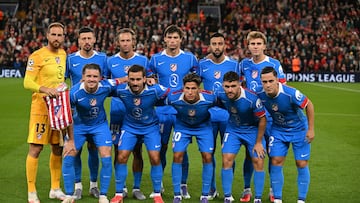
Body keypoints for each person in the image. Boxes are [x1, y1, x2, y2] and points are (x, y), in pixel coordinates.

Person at [148, 24, 198, 199]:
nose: (172, 41)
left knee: (181, 149)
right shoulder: (155, 59)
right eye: (169, 37)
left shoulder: (190, 58)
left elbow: (196, 80)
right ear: (165, 40)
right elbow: (148, 76)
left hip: (182, 111)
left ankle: (183, 185)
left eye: (176, 37)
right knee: (160, 147)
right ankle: (159, 182)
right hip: (161, 109)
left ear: (181, 40)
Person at [24, 22, 71, 203]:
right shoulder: (37, 56)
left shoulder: (63, 54)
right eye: (53, 34)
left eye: (60, 35)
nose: (56, 38)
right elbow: (27, 82)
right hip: (41, 110)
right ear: (47, 35)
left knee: (57, 148)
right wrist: (44, 89)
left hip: (58, 110)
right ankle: (31, 191)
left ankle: (55, 188)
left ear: (63, 37)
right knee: (36, 148)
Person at [238, 31, 286, 202]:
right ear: (248, 45)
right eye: (253, 44)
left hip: (272, 118)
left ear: (264, 46)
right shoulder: (243, 64)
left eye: (259, 44)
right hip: (252, 118)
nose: (256, 47)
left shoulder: (274, 64)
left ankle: (273, 190)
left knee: (274, 154)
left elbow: (282, 89)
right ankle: (246, 189)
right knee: (250, 154)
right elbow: (239, 87)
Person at [110, 64, 168, 203]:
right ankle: (119, 194)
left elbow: (174, 95)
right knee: (122, 156)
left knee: (155, 157)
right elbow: (103, 87)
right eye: (132, 79)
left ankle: (157, 194)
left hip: (150, 127)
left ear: (144, 79)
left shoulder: (155, 90)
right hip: (130, 127)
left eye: (138, 79)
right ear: (128, 79)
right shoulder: (121, 90)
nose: (135, 83)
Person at [62, 63, 118, 203]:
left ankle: (103, 195)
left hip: (99, 126)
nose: (92, 79)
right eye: (88, 76)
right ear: (83, 77)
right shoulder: (74, 93)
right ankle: (69, 195)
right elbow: (68, 118)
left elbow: (121, 80)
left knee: (106, 156)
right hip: (79, 126)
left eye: (95, 76)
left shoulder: (106, 86)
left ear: (100, 78)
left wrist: (148, 79)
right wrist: (69, 140)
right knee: (68, 156)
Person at [258, 67, 314, 203]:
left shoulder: (290, 93)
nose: (268, 85)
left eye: (271, 81)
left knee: (301, 163)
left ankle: (301, 200)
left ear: (277, 80)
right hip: (278, 130)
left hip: (299, 129)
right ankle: (277, 198)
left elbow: (309, 105)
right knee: (276, 161)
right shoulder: (261, 95)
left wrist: (311, 129)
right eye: (264, 82)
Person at [65, 26, 108, 200]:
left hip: (96, 111)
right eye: (83, 39)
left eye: (89, 38)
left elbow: (107, 81)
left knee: (93, 149)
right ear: (78, 41)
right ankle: (77, 186)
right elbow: (63, 81)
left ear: (95, 39)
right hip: (76, 114)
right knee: (75, 149)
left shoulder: (103, 58)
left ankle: (93, 185)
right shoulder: (70, 59)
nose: (87, 42)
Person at [107, 28, 148, 201]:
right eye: (122, 41)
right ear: (118, 42)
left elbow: (150, 82)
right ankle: (121, 187)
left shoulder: (143, 60)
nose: (125, 43)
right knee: (119, 151)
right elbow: (104, 84)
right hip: (117, 111)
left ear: (134, 41)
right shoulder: (110, 61)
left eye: (128, 40)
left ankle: (136, 187)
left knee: (137, 151)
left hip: (137, 112)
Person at [197, 32, 239, 199]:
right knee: (209, 153)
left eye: (220, 43)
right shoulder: (202, 64)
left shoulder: (235, 65)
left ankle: (227, 189)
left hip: (229, 117)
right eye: (214, 44)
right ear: (210, 46)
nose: (217, 47)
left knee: (229, 153)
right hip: (208, 117)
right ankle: (212, 188)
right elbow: (194, 86)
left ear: (225, 45)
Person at [166, 73, 216, 203]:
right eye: (187, 88)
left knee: (207, 156)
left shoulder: (210, 98)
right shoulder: (173, 97)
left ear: (199, 89)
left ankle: (205, 195)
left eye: (193, 88)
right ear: (183, 88)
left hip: (203, 127)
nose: (190, 92)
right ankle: (177, 195)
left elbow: (225, 103)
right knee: (177, 155)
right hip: (182, 127)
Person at [217, 71, 266, 203]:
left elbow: (262, 119)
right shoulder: (220, 95)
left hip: (252, 130)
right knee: (227, 159)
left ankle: (258, 198)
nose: (230, 90)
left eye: (233, 86)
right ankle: (227, 197)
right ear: (223, 86)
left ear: (240, 84)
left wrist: (259, 142)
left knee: (258, 161)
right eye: (227, 86)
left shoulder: (252, 99)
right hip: (233, 129)